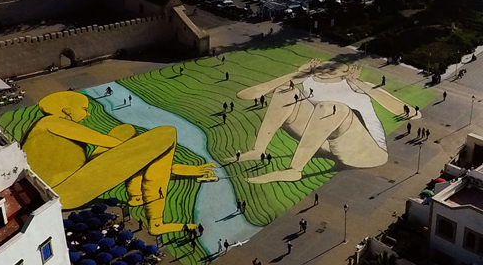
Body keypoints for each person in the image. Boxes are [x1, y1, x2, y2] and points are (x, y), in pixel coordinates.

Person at [23, 91, 217, 235]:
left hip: (64, 182)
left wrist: (138, 152)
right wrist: (140, 148)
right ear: (66, 109)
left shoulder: (44, 125)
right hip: (64, 191)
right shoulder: (52, 123)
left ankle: (136, 197)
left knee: (125, 130)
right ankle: (157, 223)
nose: (88, 114)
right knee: (167, 133)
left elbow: (133, 153)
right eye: (84, 109)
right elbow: (108, 142)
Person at [229, 60, 410, 184]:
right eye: (320, 68)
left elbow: (407, 112)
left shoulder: (356, 86)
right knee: (286, 91)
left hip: (367, 152)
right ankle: (258, 149)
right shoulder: (309, 82)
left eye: (331, 69)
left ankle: (294, 169)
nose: (324, 71)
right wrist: (298, 73)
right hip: (328, 144)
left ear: (346, 72)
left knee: (330, 107)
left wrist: (359, 83)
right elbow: (245, 95)